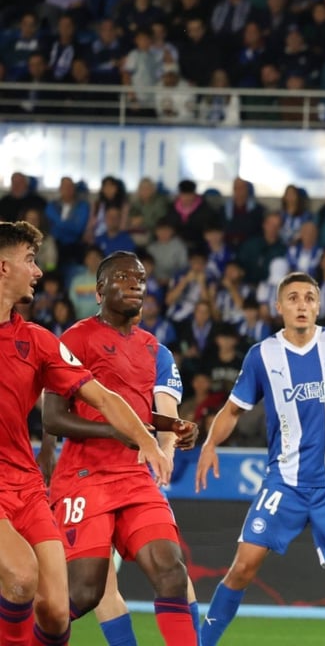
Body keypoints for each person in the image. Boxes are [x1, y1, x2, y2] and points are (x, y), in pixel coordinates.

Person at [194, 272, 325, 646]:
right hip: (284, 482)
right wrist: (209, 444)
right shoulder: (262, 355)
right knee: (243, 566)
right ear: (279, 306)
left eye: (309, 298)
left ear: (318, 305)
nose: (302, 305)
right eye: (293, 298)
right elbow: (233, 410)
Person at [0, 221, 170, 646]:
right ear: (3, 268)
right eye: (30, 261)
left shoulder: (38, 341)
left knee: (58, 612)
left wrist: (149, 441)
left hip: (26, 485)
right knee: (21, 578)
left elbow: (105, 397)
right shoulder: (79, 334)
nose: (39, 272)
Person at [41, 251, 200, 644]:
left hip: (133, 476)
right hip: (84, 476)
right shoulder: (76, 338)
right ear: (99, 291)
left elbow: (140, 414)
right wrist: (116, 432)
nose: (134, 283)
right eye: (123, 277)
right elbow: (53, 418)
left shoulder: (150, 348)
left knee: (171, 572)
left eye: (140, 278)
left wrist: (173, 425)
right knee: (85, 592)